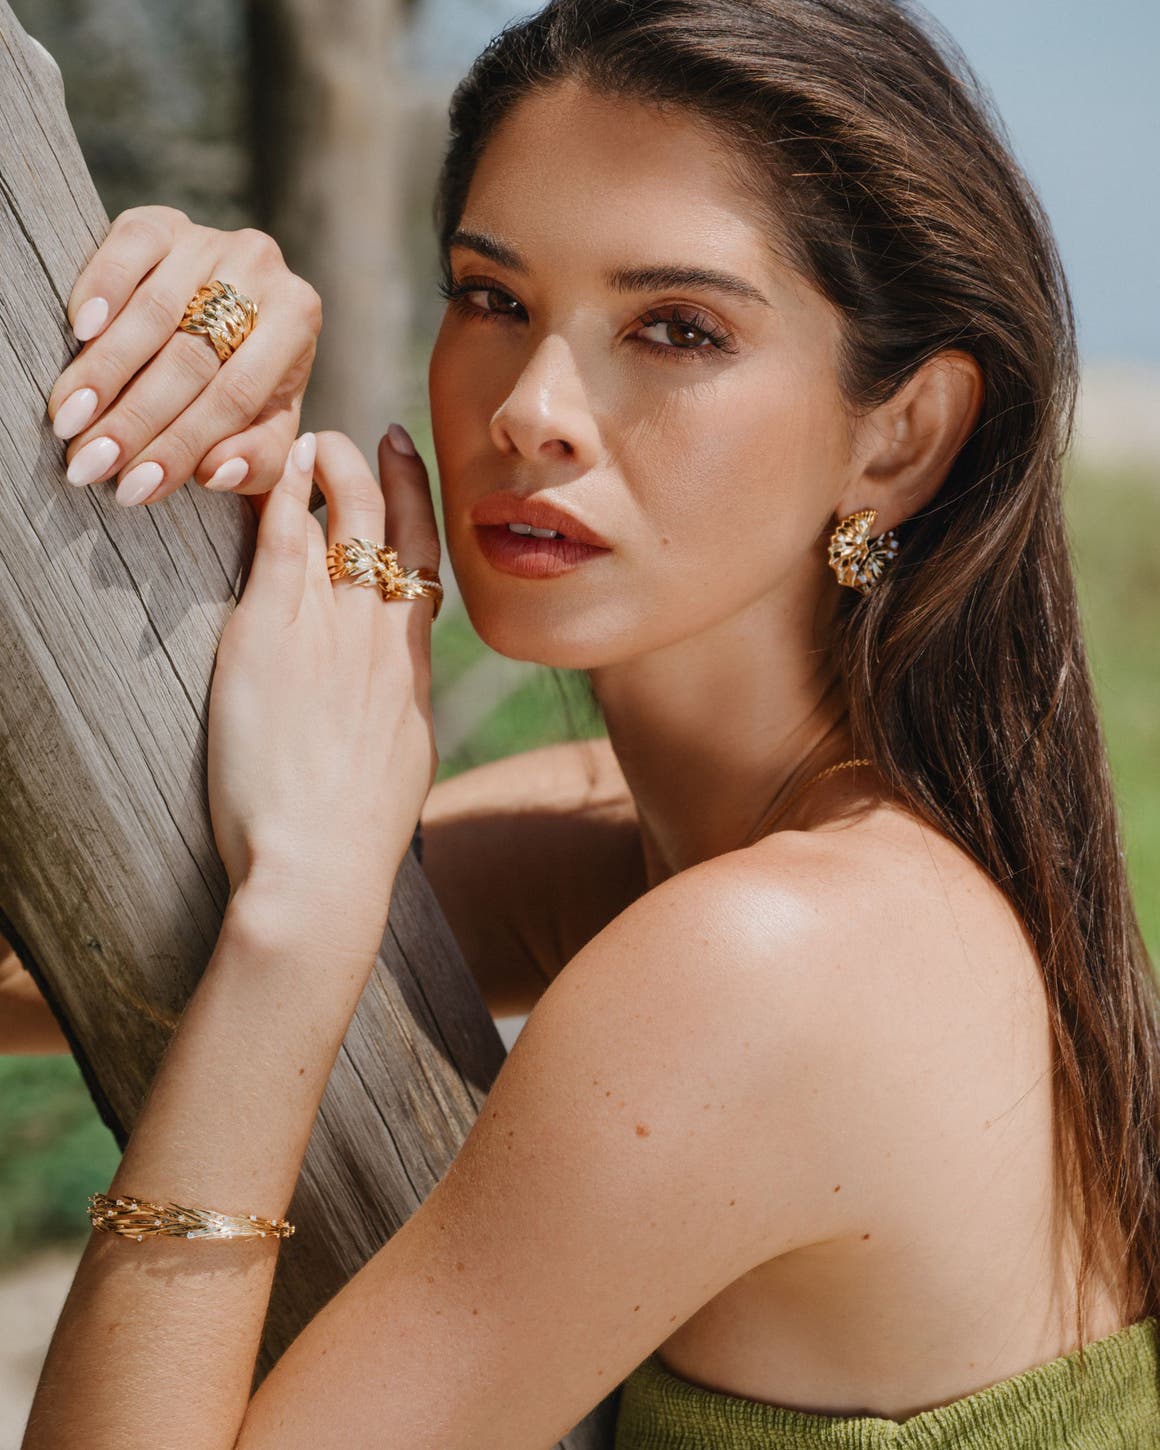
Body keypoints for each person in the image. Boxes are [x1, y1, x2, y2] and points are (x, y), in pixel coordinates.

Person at [19, 0, 1159, 1444]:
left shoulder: (780, 954)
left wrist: (298, 918)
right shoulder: (663, 841)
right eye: (491, 296)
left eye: (676, 328)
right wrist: (169, 372)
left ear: (903, 437)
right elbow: (40, 947)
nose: (531, 408)